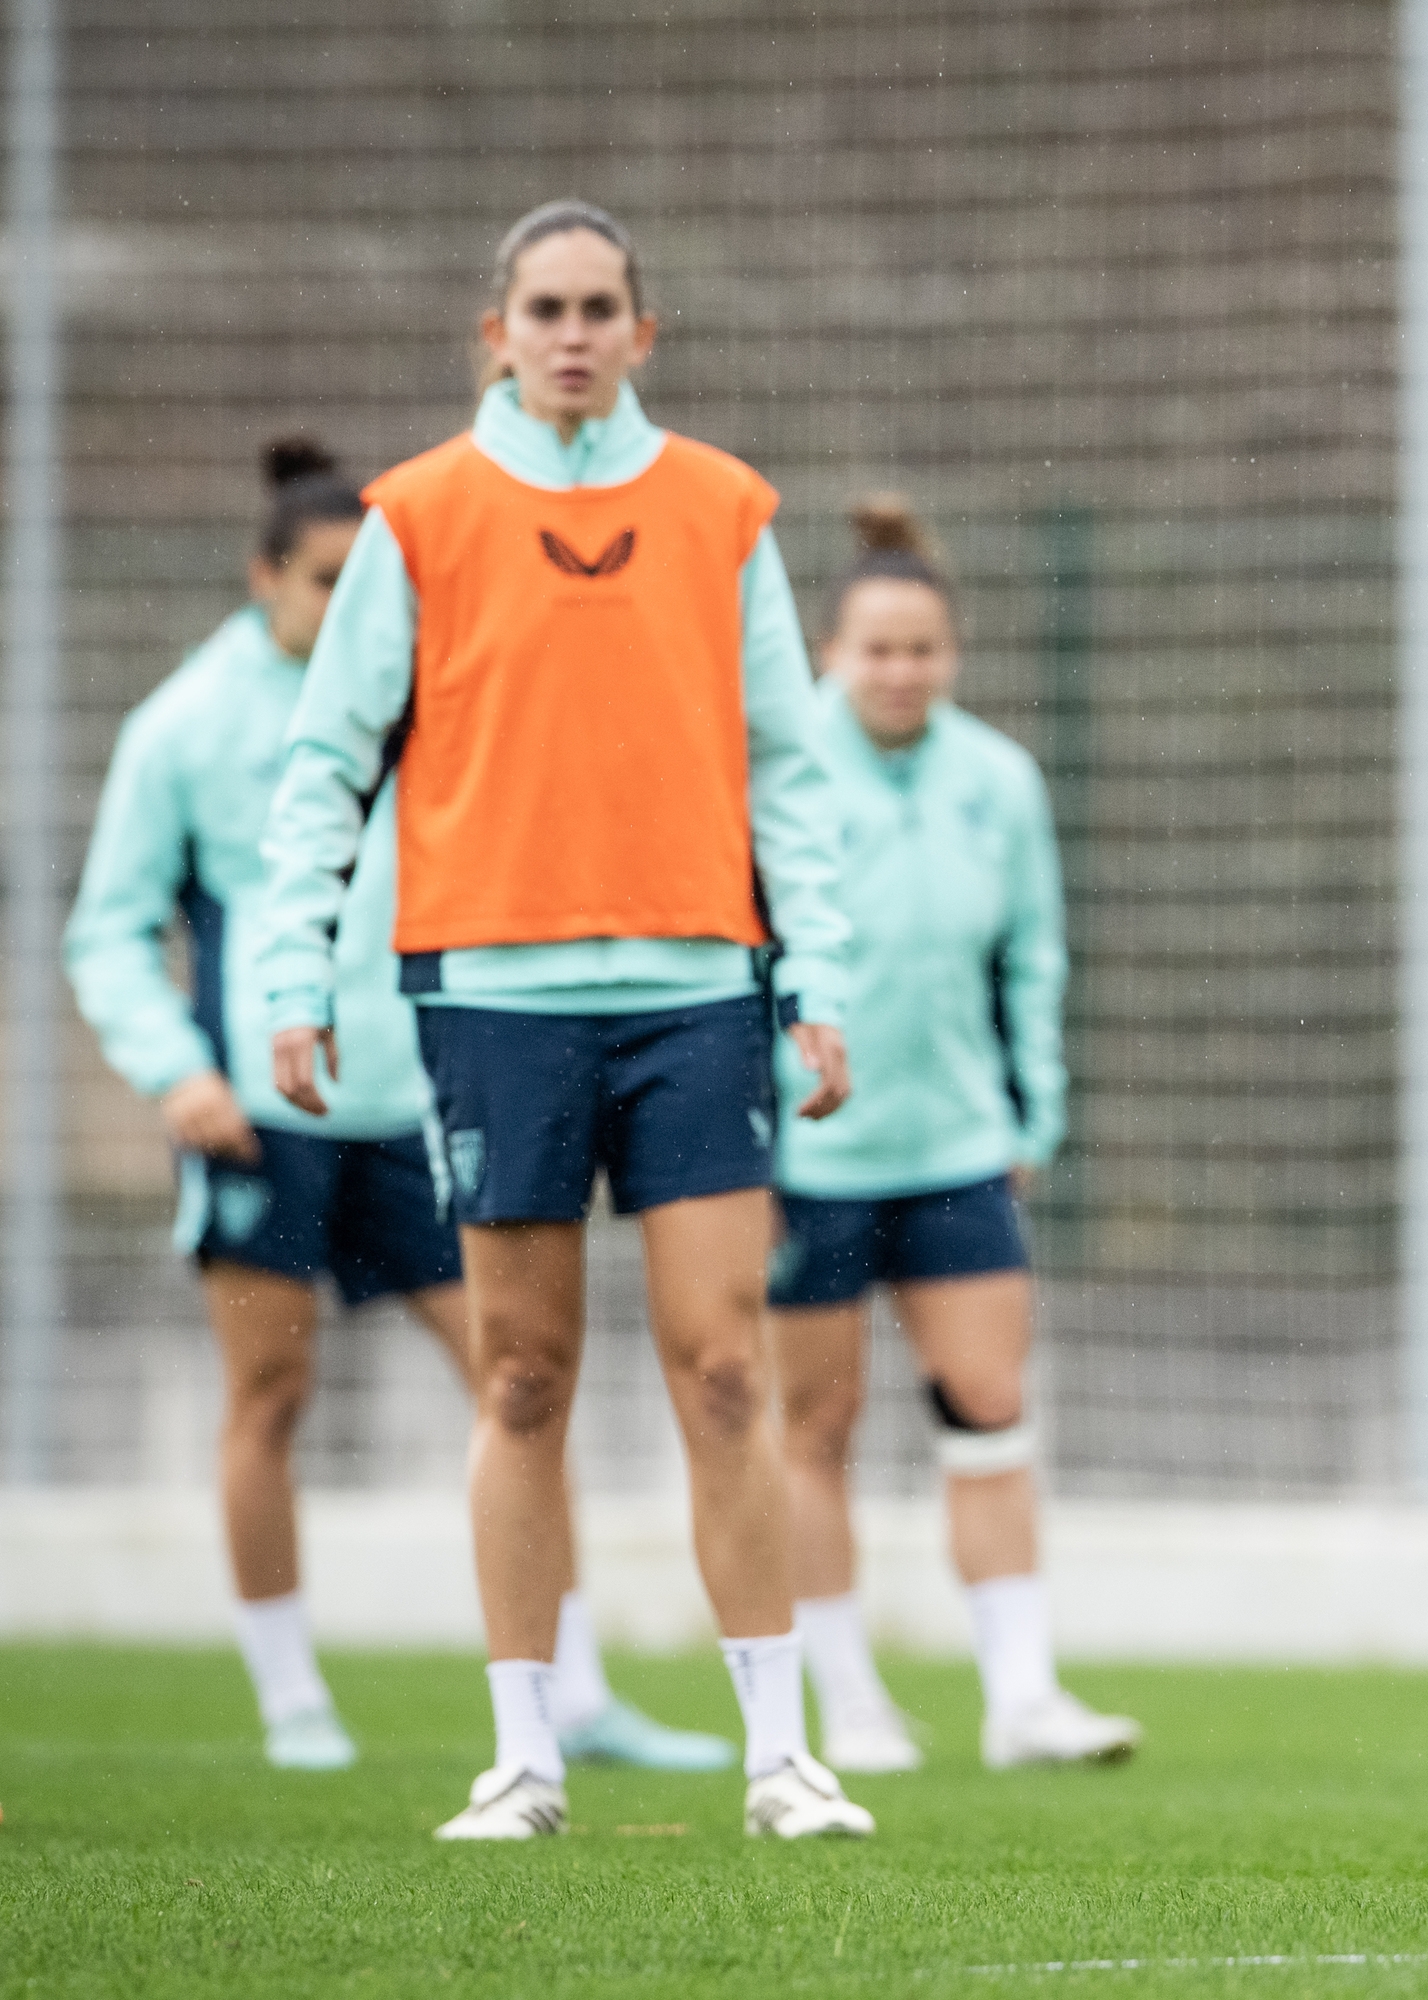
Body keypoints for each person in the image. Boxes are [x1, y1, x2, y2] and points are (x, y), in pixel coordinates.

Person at [258, 199, 874, 1843]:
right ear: (498, 332)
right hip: (494, 1001)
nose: (576, 331)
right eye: (547, 306)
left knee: (725, 1369)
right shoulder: (418, 516)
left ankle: (781, 1758)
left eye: (604, 304)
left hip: (692, 994)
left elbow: (791, 770)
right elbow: (328, 762)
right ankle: (524, 1757)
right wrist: (288, 974)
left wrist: (818, 978)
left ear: (643, 333)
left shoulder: (726, 510)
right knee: (522, 1378)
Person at [64, 438, 732, 1779]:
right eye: (324, 579)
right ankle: (292, 1697)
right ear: (265, 579)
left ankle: (577, 1693)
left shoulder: (430, 692)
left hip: (425, 1111)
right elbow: (109, 930)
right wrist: (175, 1069)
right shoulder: (186, 728)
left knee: (519, 1380)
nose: (350, 601)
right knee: (272, 1392)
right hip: (261, 1122)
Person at [770, 496, 1139, 1773]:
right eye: (875, 649)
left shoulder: (999, 780)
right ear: (829, 652)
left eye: (922, 649)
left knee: (989, 1407)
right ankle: (850, 1703)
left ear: (953, 654)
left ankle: (1022, 1693)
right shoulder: (778, 776)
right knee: (812, 1428)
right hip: (805, 1160)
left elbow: (1032, 957)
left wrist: (1034, 1105)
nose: (899, 671)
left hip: (958, 1149)